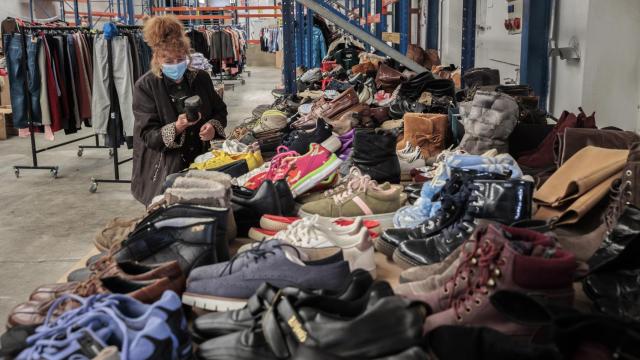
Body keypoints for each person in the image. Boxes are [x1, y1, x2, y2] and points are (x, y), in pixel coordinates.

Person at [132, 15, 227, 206]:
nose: (175, 65)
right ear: (157, 58)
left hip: (201, 161)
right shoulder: (146, 86)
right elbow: (148, 135)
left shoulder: (200, 78)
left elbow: (220, 110)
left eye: (180, 59)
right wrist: (176, 127)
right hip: (164, 169)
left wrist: (212, 127)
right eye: (168, 60)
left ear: (187, 55)